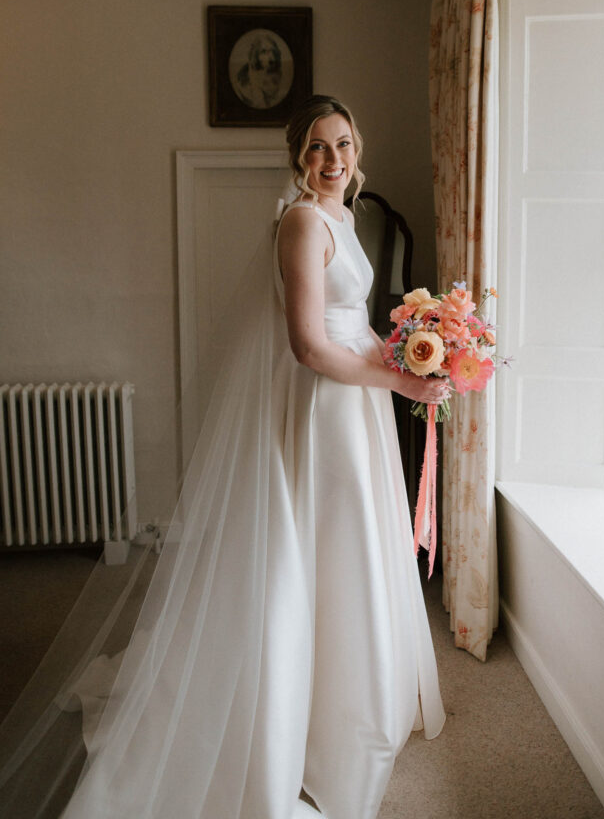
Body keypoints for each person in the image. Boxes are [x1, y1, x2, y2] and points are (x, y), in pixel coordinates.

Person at [1, 95, 447, 819]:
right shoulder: (302, 222)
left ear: (356, 149)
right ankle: (297, 720)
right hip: (322, 406)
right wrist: (399, 379)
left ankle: (349, 695)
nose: (332, 161)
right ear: (295, 157)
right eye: (315, 148)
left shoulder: (345, 214)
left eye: (342, 145)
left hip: (352, 397)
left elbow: (349, 322)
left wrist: (409, 354)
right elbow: (307, 344)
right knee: (320, 546)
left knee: (350, 546)